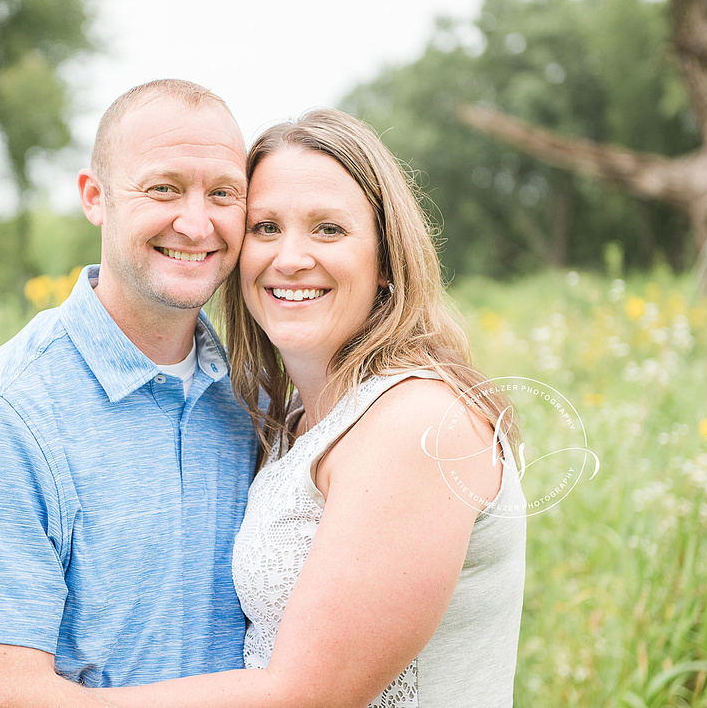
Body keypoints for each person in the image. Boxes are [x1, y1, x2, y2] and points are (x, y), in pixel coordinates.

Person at [79, 109, 527, 707]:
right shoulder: (293, 424)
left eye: (328, 230)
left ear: (388, 257)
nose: (290, 258)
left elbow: (304, 697)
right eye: (264, 228)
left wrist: (38, 703)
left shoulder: (415, 421)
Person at [0, 79, 259, 706]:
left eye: (223, 193)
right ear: (94, 197)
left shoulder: (255, 402)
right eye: (164, 188)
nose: (197, 221)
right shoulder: (1, 412)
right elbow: (3, 696)